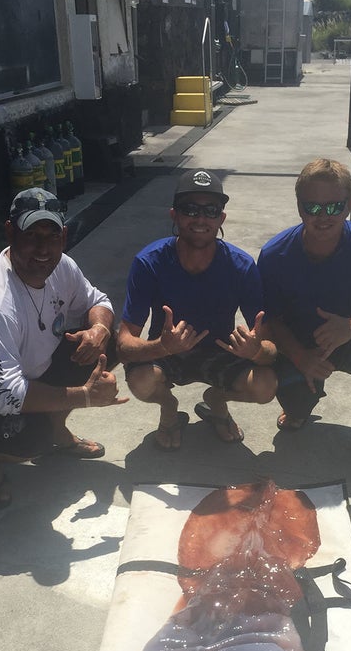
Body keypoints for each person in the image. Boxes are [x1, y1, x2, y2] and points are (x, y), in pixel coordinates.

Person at [0, 187, 127, 509]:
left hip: (34, 367)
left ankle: (58, 432)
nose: (42, 248)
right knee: (31, 440)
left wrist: (99, 328)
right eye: (31, 235)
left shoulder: (62, 265)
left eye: (51, 236)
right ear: (10, 232)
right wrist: (87, 396)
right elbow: (5, 397)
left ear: (63, 236)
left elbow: (98, 302)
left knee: (111, 342)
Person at [258, 158, 351, 477]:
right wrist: (299, 356)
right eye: (312, 207)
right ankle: (297, 409)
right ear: (299, 207)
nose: (323, 217)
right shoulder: (274, 255)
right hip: (300, 343)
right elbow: (269, 321)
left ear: (349, 205)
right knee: (293, 411)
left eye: (333, 207)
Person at [116, 169, 277, 450]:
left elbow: (271, 345)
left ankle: (216, 399)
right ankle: (169, 408)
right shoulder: (149, 262)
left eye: (211, 210)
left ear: (221, 218)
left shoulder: (241, 266)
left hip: (220, 351)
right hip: (167, 352)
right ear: (174, 215)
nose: (200, 218)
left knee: (265, 386)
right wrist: (162, 346)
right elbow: (124, 344)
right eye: (190, 209)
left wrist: (256, 351)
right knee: (141, 381)